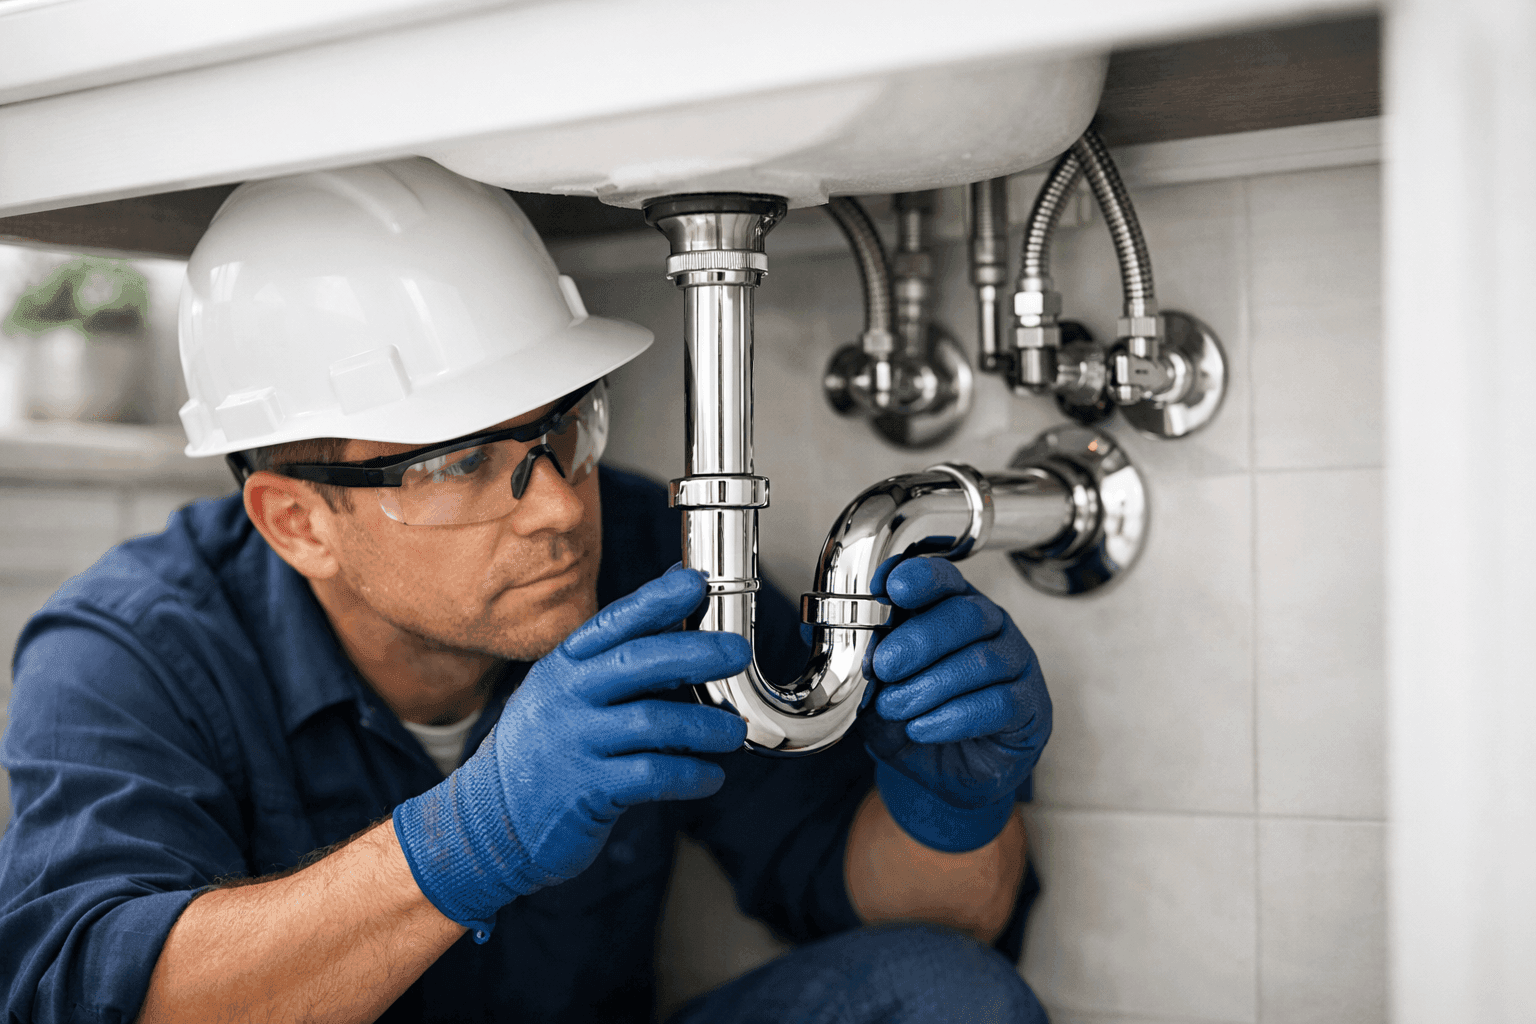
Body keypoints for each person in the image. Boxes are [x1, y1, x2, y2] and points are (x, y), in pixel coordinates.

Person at [0, 159, 1053, 1023]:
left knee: (944, 996)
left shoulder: (645, 553)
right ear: (297, 520)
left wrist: (953, 808)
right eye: (456, 463)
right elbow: (85, 1000)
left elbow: (880, 896)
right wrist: (471, 838)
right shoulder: (127, 650)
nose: (558, 507)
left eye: (560, 429)